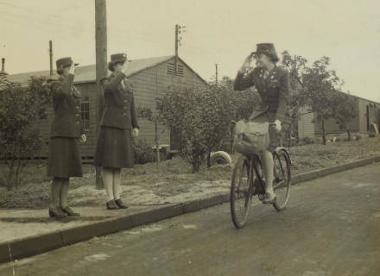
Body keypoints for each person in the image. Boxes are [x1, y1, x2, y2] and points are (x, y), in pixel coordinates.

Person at [234, 43, 289, 203]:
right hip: (260, 113)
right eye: (256, 56)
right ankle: (255, 176)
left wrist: (279, 120)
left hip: (277, 114)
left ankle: (269, 190)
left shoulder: (282, 73)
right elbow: (237, 86)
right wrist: (243, 68)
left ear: (270, 56)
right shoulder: (256, 73)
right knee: (249, 142)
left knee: (265, 149)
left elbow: (284, 99)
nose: (257, 59)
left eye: (260, 56)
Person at [94, 53, 140, 210]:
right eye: (120, 64)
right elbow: (110, 89)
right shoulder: (106, 81)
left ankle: (118, 196)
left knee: (118, 163)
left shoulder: (128, 83)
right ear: (114, 66)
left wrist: (135, 125)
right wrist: (121, 74)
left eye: (124, 64)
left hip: (123, 127)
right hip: (110, 126)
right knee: (109, 163)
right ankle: (109, 198)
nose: (123, 67)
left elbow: (131, 105)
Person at [47, 57, 86, 219]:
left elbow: (76, 111)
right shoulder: (55, 84)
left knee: (68, 171)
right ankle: (53, 206)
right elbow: (63, 93)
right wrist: (70, 76)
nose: (73, 70)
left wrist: (81, 130)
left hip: (71, 133)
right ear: (62, 68)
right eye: (70, 67)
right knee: (59, 172)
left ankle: (64, 204)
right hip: (61, 133)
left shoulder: (71, 85)